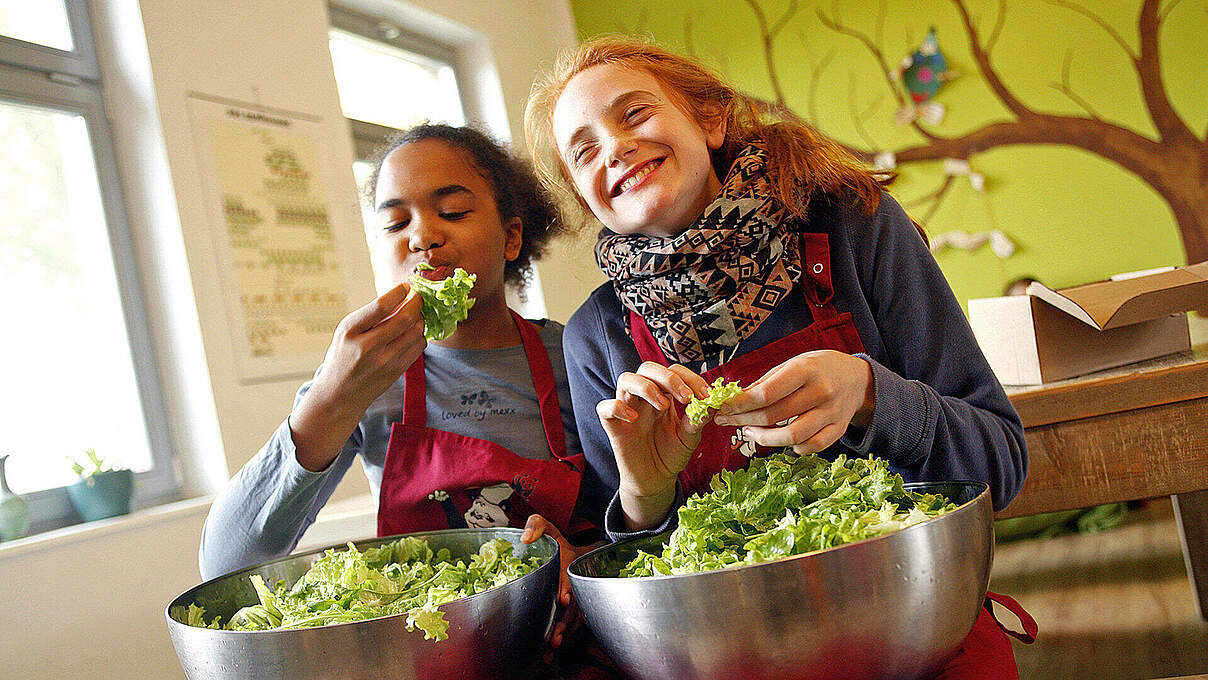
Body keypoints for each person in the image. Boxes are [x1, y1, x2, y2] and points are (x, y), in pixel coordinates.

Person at [525, 36, 1034, 676]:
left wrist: (876, 395)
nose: (616, 147)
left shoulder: (854, 227)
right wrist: (644, 495)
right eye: (584, 150)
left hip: (915, 636)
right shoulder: (598, 336)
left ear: (709, 121)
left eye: (635, 114)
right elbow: (622, 585)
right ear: (582, 191)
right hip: (726, 659)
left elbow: (1003, 464)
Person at [198, 124, 592, 648]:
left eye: (451, 213)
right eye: (394, 223)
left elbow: (639, 522)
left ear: (512, 238)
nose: (422, 236)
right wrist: (333, 396)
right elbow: (228, 563)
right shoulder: (362, 379)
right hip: (429, 656)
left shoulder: (577, 358)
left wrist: (584, 564)